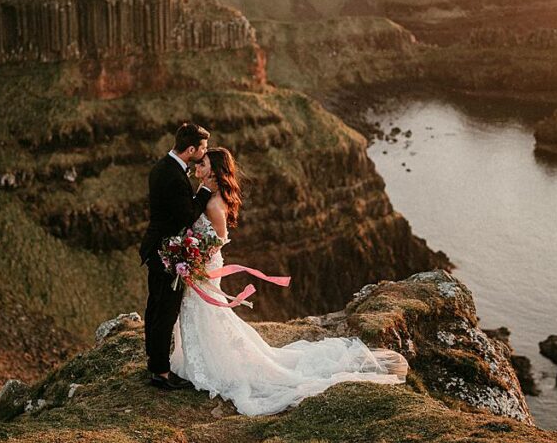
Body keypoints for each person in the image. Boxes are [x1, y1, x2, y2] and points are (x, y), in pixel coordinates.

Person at [170, 147, 409, 416]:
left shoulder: (214, 204)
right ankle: (198, 361)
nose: (196, 168)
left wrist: (193, 259)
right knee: (200, 312)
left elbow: (218, 242)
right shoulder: (208, 196)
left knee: (207, 313)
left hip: (205, 265)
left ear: (213, 170)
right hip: (197, 265)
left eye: (201, 164)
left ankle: (212, 365)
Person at [140, 122, 218, 390]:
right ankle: (160, 372)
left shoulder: (162, 166)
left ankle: (154, 362)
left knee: (155, 307)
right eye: (203, 148)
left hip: (155, 246)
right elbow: (186, 215)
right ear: (191, 149)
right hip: (165, 252)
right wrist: (205, 191)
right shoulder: (173, 176)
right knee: (165, 311)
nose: (204, 152)